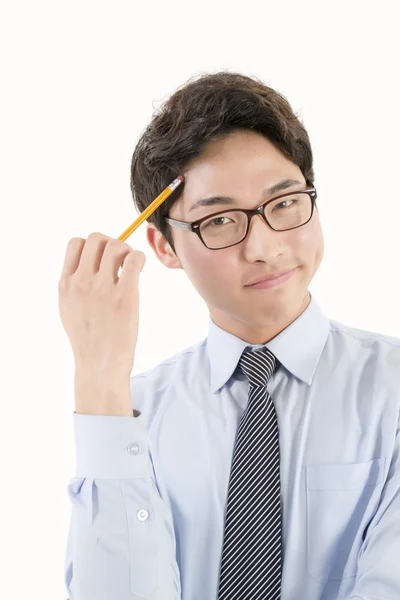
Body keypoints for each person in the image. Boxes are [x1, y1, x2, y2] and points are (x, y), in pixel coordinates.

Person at [61, 71, 400, 600]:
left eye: (285, 203)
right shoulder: (129, 417)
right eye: (219, 220)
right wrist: (99, 380)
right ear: (164, 245)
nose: (263, 246)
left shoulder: (392, 388)